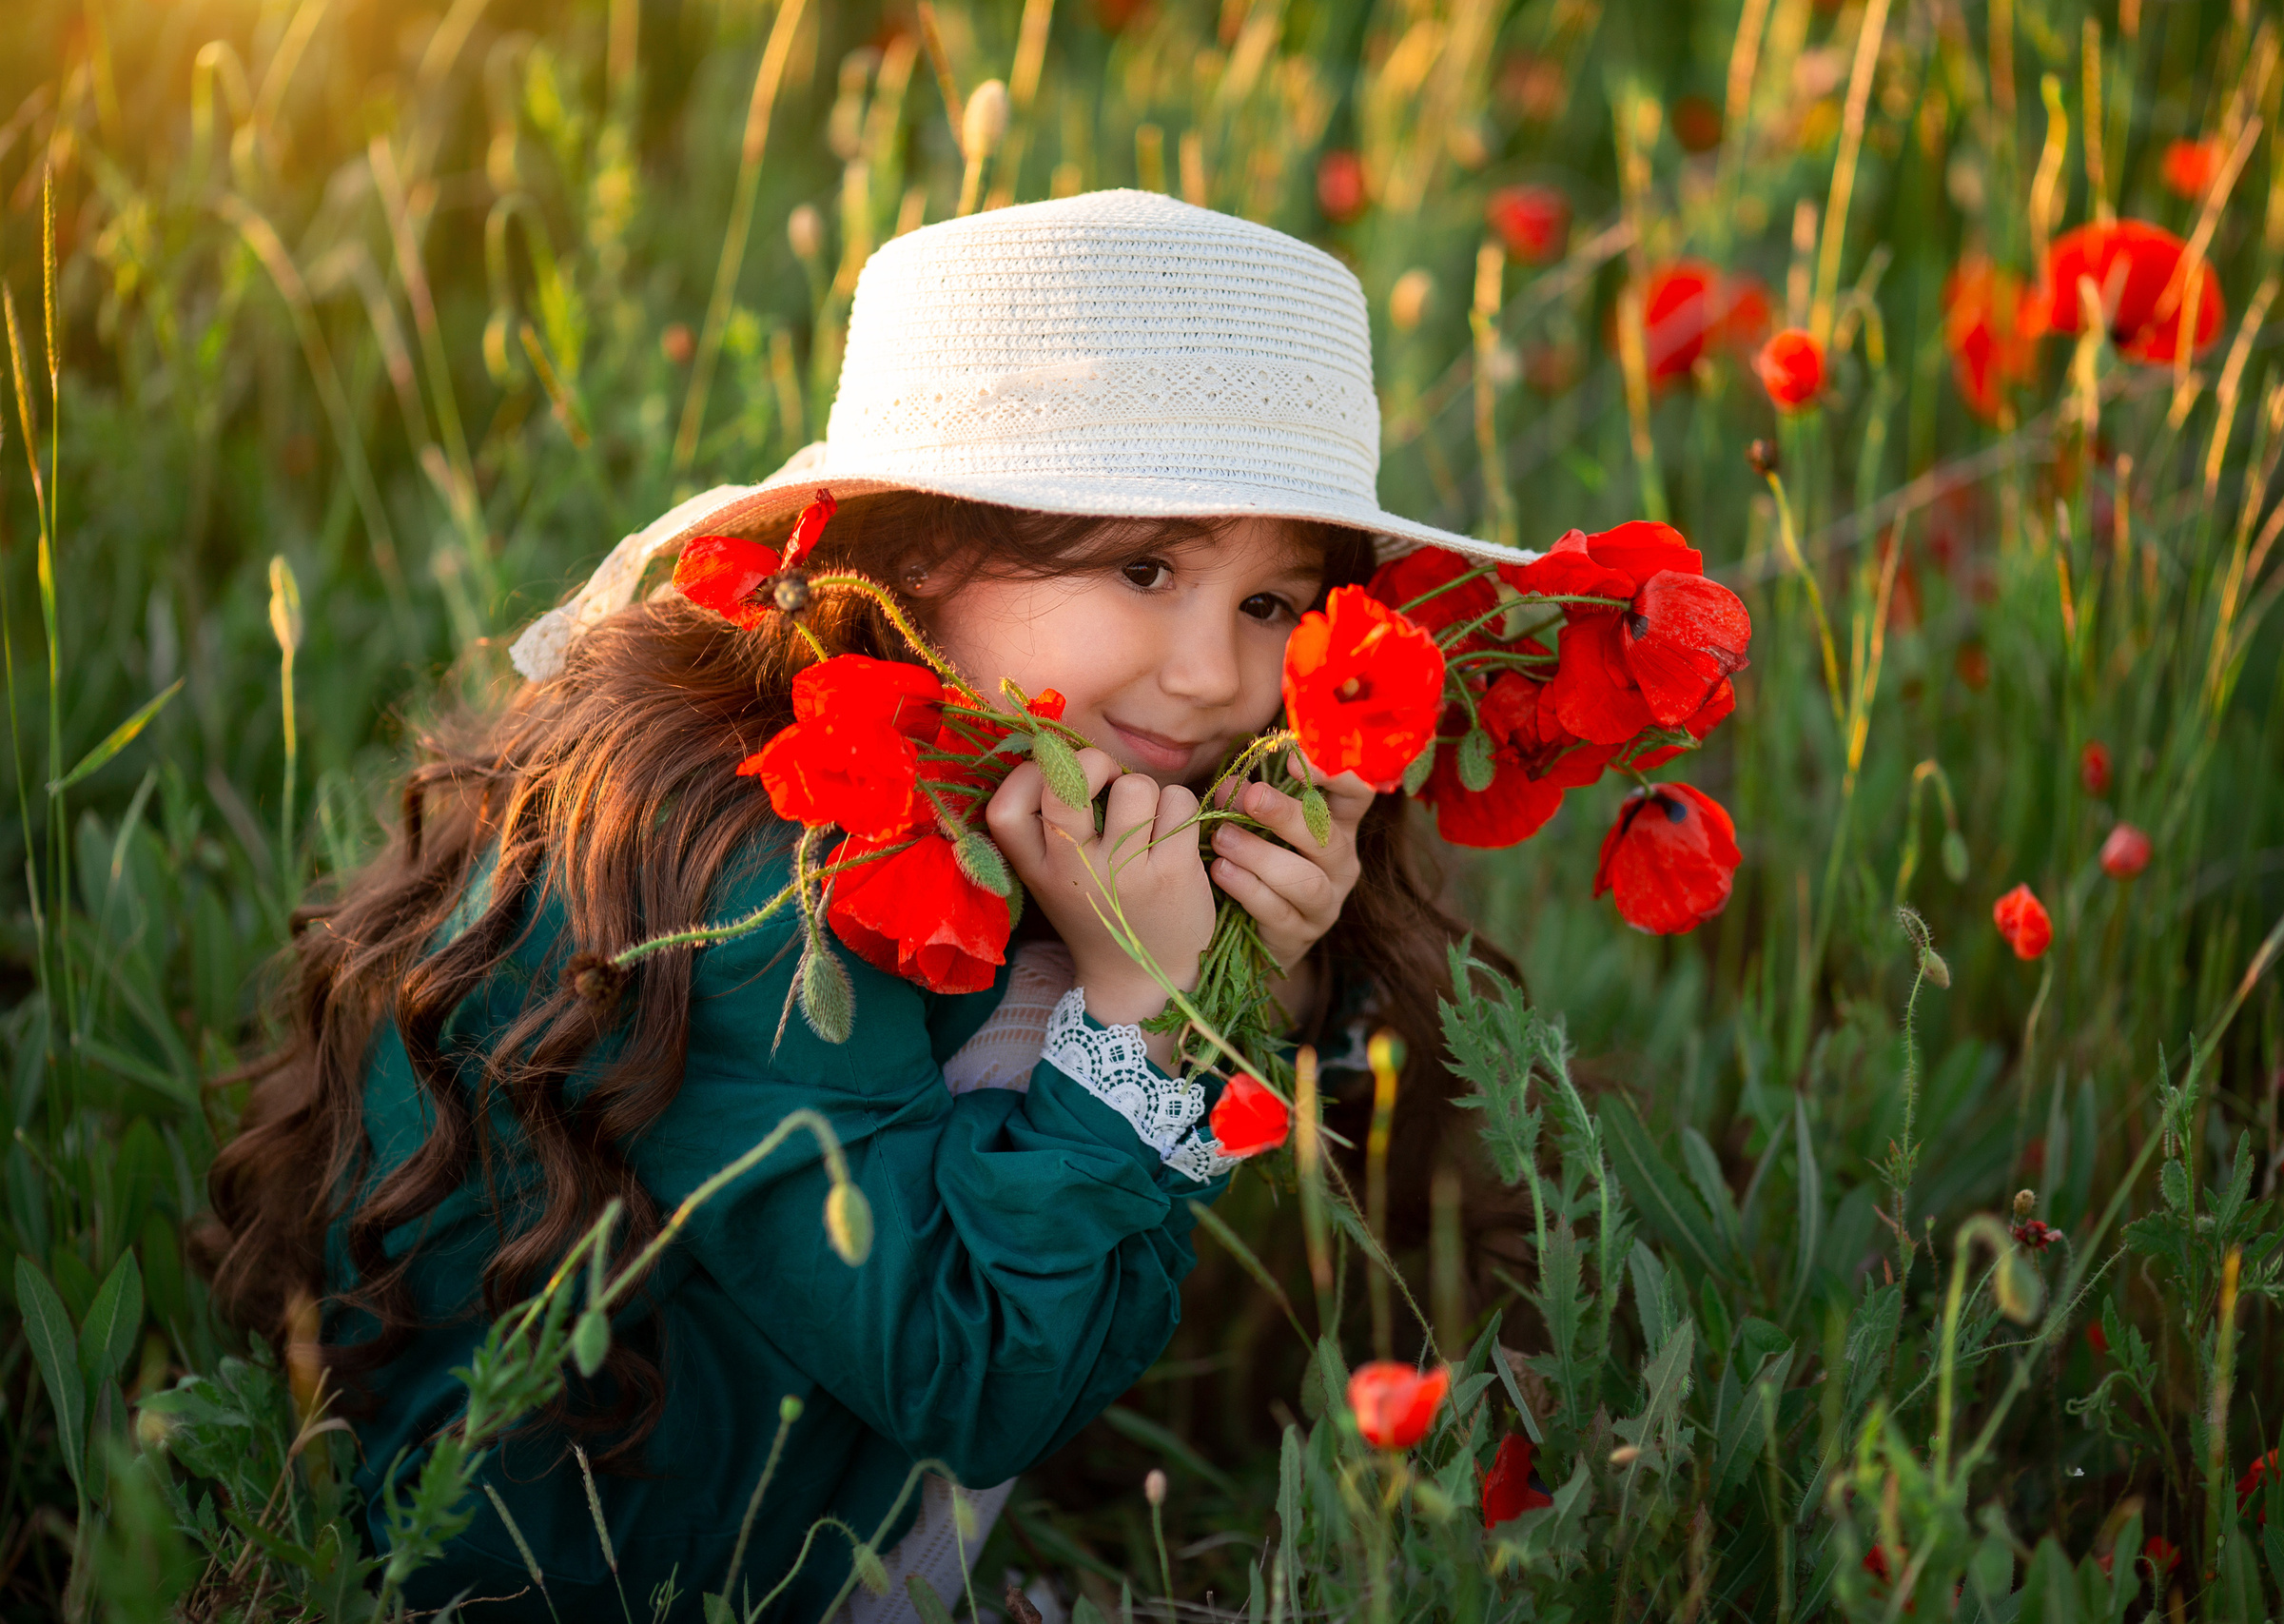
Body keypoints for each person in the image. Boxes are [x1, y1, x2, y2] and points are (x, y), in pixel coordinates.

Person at [197, 189, 1532, 1621]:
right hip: (544, 1582)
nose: (1215, 676)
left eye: (1273, 604)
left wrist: (1226, 974)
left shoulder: (1053, 808)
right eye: (1146, 567)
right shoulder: (735, 867)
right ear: (919, 551)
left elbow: (1072, 1338)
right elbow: (979, 1384)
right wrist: (1139, 1014)